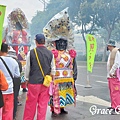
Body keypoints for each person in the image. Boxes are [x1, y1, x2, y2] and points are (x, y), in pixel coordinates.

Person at [23, 33, 56, 120]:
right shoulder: (50, 53)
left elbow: (27, 68)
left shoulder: (31, 52)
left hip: (33, 82)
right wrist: (51, 80)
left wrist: (26, 79)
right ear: (44, 42)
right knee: (42, 105)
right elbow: (53, 69)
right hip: (45, 83)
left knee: (30, 104)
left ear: (36, 42)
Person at [49, 37, 77, 116]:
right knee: (56, 94)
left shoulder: (69, 53)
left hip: (67, 79)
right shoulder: (53, 53)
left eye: (64, 42)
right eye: (59, 42)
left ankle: (62, 108)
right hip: (56, 78)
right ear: (55, 43)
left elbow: (74, 66)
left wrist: (74, 77)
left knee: (64, 94)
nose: (62, 44)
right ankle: (55, 109)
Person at [0, 43, 20, 120]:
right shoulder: (14, 61)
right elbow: (17, 75)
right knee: (8, 111)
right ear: (7, 50)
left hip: (1, 91)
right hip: (10, 90)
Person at [7, 47, 22, 119]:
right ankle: (13, 115)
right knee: (15, 97)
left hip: (7, 81)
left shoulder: (4, 61)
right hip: (16, 81)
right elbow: (19, 73)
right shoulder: (18, 62)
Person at [107, 40, 120, 115]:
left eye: (109, 46)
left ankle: (117, 108)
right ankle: (113, 105)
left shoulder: (116, 52)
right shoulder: (111, 53)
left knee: (116, 92)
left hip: (114, 75)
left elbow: (117, 63)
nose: (108, 47)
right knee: (112, 92)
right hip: (110, 76)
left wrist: (111, 72)